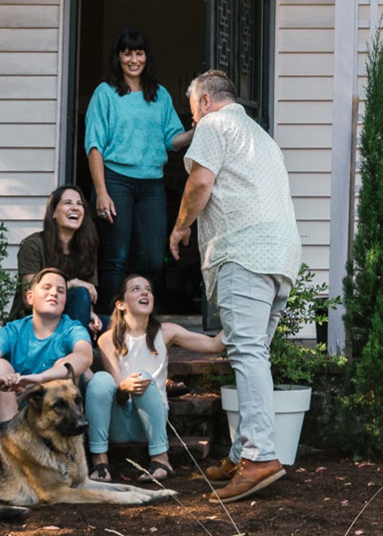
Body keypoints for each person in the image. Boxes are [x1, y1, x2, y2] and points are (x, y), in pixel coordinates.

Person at [169, 70, 301, 503]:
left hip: (244, 252)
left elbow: (200, 182)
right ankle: (245, 450)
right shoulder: (261, 136)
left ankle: (260, 456)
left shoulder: (213, 125)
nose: (193, 122)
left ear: (205, 102)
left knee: (246, 352)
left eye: (192, 113)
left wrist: (180, 227)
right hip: (280, 256)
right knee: (252, 352)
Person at [86, 28, 193, 314]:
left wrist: (199, 129)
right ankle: (110, 323)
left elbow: (173, 139)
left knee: (153, 260)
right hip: (116, 180)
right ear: (118, 57)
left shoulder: (159, 96)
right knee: (117, 256)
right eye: (127, 53)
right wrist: (101, 192)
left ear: (147, 56)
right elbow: (94, 145)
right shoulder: (105, 94)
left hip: (152, 185)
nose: (134, 59)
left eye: (139, 52)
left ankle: (142, 320)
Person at [85, 273, 224, 483]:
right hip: (119, 422)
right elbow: (113, 390)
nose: (145, 292)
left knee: (142, 377)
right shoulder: (107, 339)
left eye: (148, 289)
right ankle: (100, 462)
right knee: (99, 380)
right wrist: (125, 386)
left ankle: (161, 459)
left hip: (151, 423)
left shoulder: (166, 332)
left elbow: (213, 345)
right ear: (121, 304)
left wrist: (238, 314)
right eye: (136, 289)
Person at [0, 268, 94, 422]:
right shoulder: (14, 330)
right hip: (17, 404)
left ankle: (61, 441)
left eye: (61, 290)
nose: (54, 293)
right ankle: (13, 441)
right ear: (30, 297)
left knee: (67, 365)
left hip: (58, 410)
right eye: (46, 287)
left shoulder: (73, 329)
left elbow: (84, 356)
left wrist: (40, 378)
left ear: (65, 301)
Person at [8, 185, 103, 333]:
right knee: (79, 292)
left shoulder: (87, 248)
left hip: (67, 318)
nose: (75, 208)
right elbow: (29, 299)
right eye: (68, 203)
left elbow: (88, 295)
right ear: (53, 212)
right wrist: (72, 283)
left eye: (79, 204)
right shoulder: (33, 245)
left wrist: (89, 314)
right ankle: (77, 352)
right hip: (30, 325)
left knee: (115, 326)